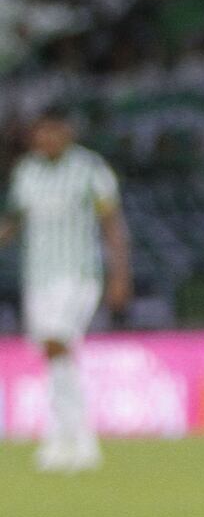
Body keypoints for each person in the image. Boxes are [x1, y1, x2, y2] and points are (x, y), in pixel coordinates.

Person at [2, 107, 131, 472]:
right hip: (38, 276)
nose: (44, 139)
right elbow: (14, 220)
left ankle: (69, 437)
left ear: (67, 132)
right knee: (57, 354)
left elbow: (112, 224)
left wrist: (120, 275)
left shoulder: (90, 170)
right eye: (39, 132)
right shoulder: (27, 172)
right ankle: (72, 437)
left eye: (51, 131)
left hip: (78, 274)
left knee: (57, 341)